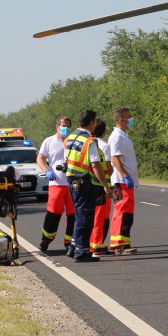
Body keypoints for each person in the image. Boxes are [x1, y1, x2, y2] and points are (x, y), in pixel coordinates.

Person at [64, 110, 113, 262]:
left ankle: (73, 247)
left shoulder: (71, 137)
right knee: (85, 217)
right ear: (92, 122)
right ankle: (82, 252)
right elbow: (95, 165)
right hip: (85, 182)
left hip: (72, 180)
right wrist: (105, 186)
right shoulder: (89, 140)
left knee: (79, 215)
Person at [37, 116, 76, 253]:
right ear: (57, 126)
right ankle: (46, 240)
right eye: (63, 125)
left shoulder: (74, 141)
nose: (65, 128)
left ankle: (70, 243)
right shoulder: (49, 141)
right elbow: (40, 157)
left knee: (73, 216)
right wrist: (47, 170)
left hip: (73, 184)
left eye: (68, 126)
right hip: (56, 184)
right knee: (53, 214)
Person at [108, 107, 139, 255]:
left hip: (125, 180)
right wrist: (125, 176)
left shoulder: (124, 135)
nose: (131, 118)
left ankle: (119, 243)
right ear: (121, 119)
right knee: (123, 212)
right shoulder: (117, 137)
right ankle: (121, 245)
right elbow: (115, 158)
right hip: (121, 180)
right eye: (129, 116)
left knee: (124, 211)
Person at [89, 120, 114, 256]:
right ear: (103, 131)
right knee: (102, 217)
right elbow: (109, 168)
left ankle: (92, 243)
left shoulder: (89, 143)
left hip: (91, 185)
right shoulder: (104, 146)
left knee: (93, 216)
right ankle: (98, 245)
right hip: (103, 186)